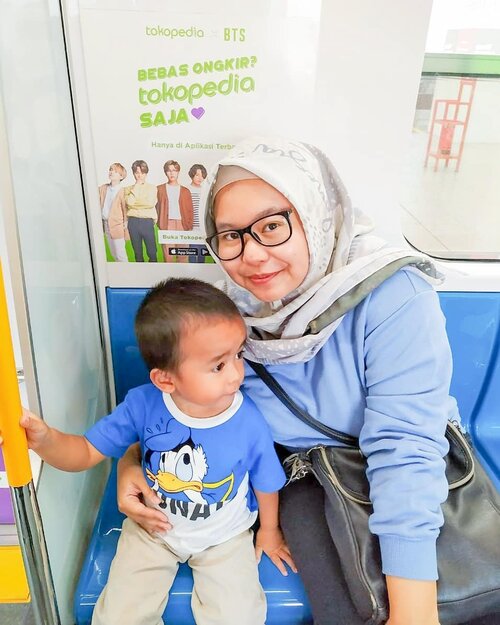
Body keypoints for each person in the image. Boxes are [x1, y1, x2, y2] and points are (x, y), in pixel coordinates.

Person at [117, 137, 500, 625]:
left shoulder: (392, 293)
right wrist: (135, 461)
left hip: (410, 476)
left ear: (317, 218)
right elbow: (185, 402)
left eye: (272, 226)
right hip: (302, 478)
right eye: (230, 235)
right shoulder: (221, 313)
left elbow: (405, 447)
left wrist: (413, 613)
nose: (251, 256)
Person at [10, 278, 295, 625]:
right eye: (218, 365)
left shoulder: (248, 418)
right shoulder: (142, 405)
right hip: (152, 532)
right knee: (118, 618)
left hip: (225, 537)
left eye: (238, 354)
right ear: (165, 380)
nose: (236, 374)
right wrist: (44, 440)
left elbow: (267, 480)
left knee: (239, 616)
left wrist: (269, 530)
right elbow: (84, 452)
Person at [156, 160, 193, 263]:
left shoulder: (185, 191)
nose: (172, 173)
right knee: (168, 256)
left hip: (183, 224)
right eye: (169, 170)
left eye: (174, 170)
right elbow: (155, 207)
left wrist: (188, 226)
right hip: (167, 224)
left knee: (183, 255)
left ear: (178, 172)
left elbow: (190, 210)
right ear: (165, 172)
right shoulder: (159, 189)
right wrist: (160, 222)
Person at [124, 159, 158, 262]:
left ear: (146, 173)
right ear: (133, 174)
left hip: (147, 222)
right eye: (137, 173)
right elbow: (129, 203)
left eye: (142, 173)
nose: (140, 175)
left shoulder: (152, 188)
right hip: (133, 222)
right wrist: (137, 186)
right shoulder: (128, 188)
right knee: (137, 253)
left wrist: (135, 204)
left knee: (152, 252)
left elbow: (150, 203)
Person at [98, 162, 129, 262]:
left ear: (121, 176)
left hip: (117, 226)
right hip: (105, 224)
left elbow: (125, 210)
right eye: (111, 169)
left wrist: (125, 225)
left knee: (120, 255)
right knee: (113, 254)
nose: (111, 172)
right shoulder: (103, 188)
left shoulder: (123, 191)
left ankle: (127, 274)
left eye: (115, 171)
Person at [187, 163, 208, 264]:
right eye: (197, 175)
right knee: (192, 253)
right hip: (191, 228)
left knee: (201, 254)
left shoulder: (205, 190)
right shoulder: (186, 190)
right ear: (192, 175)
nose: (200, 178)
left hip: (202, 228)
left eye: (202, 175)